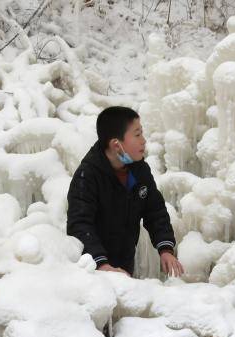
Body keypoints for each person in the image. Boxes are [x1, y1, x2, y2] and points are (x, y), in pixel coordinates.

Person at [67, 106, 184, 277]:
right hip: (91, 270)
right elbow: (79, 225)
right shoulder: (88, 176)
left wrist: (165, 248)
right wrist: (101, 263)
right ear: (116, 145)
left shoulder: (139, 171)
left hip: (125, 262)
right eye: (137, 135)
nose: (143, 140)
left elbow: (155, 211)